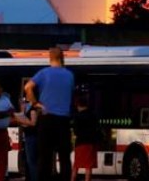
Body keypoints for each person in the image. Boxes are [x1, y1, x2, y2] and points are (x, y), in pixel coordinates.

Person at [24, 47, 75, 181]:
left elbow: (27, 87)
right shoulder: (70, 75)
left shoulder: (44, 73)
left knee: (44, 157)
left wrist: (35, 103)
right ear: (62, 58)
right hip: (63, 120)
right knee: (64, 158)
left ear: (50, 58)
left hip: (47, 118)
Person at [72, 96, 101, 181]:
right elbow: (97, 129)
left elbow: (76, 131)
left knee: (76, 165)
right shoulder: (93, 115)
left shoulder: (77, 116)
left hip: (80, 143)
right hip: (90, 143)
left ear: (78, 105)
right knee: (88, 167)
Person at [14, 96, 40, 181]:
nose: (21, 105)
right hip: (29, 137)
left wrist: (21, 120)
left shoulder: (32, 110)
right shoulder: (26, 111)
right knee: (29, 161)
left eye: (23, 103)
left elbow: (33, 123)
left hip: (32, 138)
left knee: (32, 161)